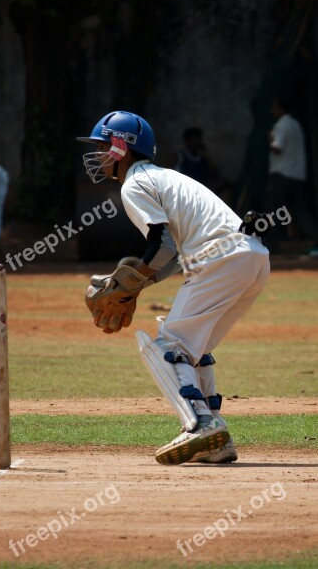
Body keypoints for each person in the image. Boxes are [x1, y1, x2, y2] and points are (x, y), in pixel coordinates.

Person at [78, 111, 270, 465]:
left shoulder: (134, 184)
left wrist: (127, 286)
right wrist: (135, 286)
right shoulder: (162, 176)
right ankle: (217, 440)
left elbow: (162, 243)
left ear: (121, 148)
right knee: (194, 348)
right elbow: (167, 258)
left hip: (219, 258)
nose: (98, 154)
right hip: (252, 257)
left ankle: (199, 425)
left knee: (167, 347)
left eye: (103, 146)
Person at [265, 97, 318, 256]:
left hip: (282, 174)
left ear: (281, 109)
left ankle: (270, 246)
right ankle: (316, 238)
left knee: (270, 211)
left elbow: (277, 148)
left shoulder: (281, 125)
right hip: (296, 175)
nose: (271, 111)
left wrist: (270, 138)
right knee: (299, 210)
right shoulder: (295, 124)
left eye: (274, 107)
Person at [167, 127, 225, 193]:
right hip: (184, 191)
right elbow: (167, 176)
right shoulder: (178, 156)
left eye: (198, 139)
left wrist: (207, 157)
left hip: (200, 191)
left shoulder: (203, 157)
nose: (196, 142)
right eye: (193, 139)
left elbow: (214, 175)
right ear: (187, 141)